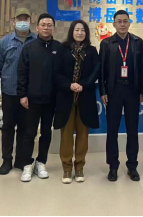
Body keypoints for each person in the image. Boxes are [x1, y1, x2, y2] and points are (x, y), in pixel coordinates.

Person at [54, 20, 100, 184]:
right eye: (77, 30)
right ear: (71, 32)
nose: (80, 33)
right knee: (66, 135)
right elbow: (56, 72)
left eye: (82, 30)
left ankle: (79, 166)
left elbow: (96, 71)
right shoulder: (63, 49)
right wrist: (69, 85)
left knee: (82, 135)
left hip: (85, 97)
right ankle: (67, 168)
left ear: (86, 33)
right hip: (66, 97)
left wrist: (83, 85)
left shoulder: (92, 51)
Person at [99, 10, 143, 182]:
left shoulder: (138, 42)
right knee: (112, 130)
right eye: (119, 21)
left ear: (129, 23)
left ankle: (132, 166)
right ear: (114, 24)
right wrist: (103, 91)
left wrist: (142, 91)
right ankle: (113, 166)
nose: (122, 24)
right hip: (113, 91)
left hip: (132, 91)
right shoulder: (106, 43)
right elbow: (102, 70)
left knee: (133, 130)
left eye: (125, 21)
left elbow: (142, 68)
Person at [17, 13, 61, 183]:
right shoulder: (29, 47)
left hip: (51, 99)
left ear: (53, 29)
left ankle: (41, 162)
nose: (46, 27)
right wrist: (22, 94)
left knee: (46, 133)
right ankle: (27, 164)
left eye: (49, 25)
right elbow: (22, 72)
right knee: (29, 132)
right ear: (37, 28)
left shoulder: (59, 48)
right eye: (43, 24)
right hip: (32, 99)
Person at [0, 8, 37, 176]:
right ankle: (6, 160)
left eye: (25, 19)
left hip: (29, 93)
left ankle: (21, 159)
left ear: (30, 21)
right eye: (19, 19)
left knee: (25, 128)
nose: (22, 22)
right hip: (10, 92)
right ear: (14, 21)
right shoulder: (5, 42)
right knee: (8, 127)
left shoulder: (36, 40)